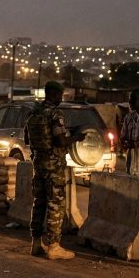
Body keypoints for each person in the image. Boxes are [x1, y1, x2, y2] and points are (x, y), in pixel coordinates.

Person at [26, 81, 86, 260]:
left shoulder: (33, 112)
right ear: (53, 94)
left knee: (39, 203)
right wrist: (76, 138)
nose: (61, 98)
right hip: (53, 165)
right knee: (55, 204)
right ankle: (54, 246)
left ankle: (36, 243)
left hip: (38, 163)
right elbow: (60, 141)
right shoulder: (55, 113)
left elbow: (27, 139)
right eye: (60, 95)